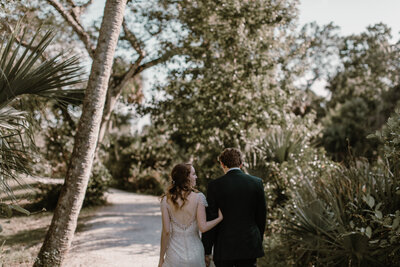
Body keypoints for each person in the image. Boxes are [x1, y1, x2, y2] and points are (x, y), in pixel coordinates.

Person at [202, 148, 267, 267]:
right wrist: (257, 240)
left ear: (222, 164)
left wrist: (206, 250)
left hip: (224, 246)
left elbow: (211, 217)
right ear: (241, 163)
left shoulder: (215, 186)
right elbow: (261, 216)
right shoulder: (256, 183)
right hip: (249, 244)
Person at [158, 163, 223, 267]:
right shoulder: (199, 198)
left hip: (174, 253)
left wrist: (161, 258)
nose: (196, 176)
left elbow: (166, 232)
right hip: (195, 253)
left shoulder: (166, 200)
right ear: (186, 178)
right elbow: (203, 227)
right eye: (193, 174)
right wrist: (220, 218)